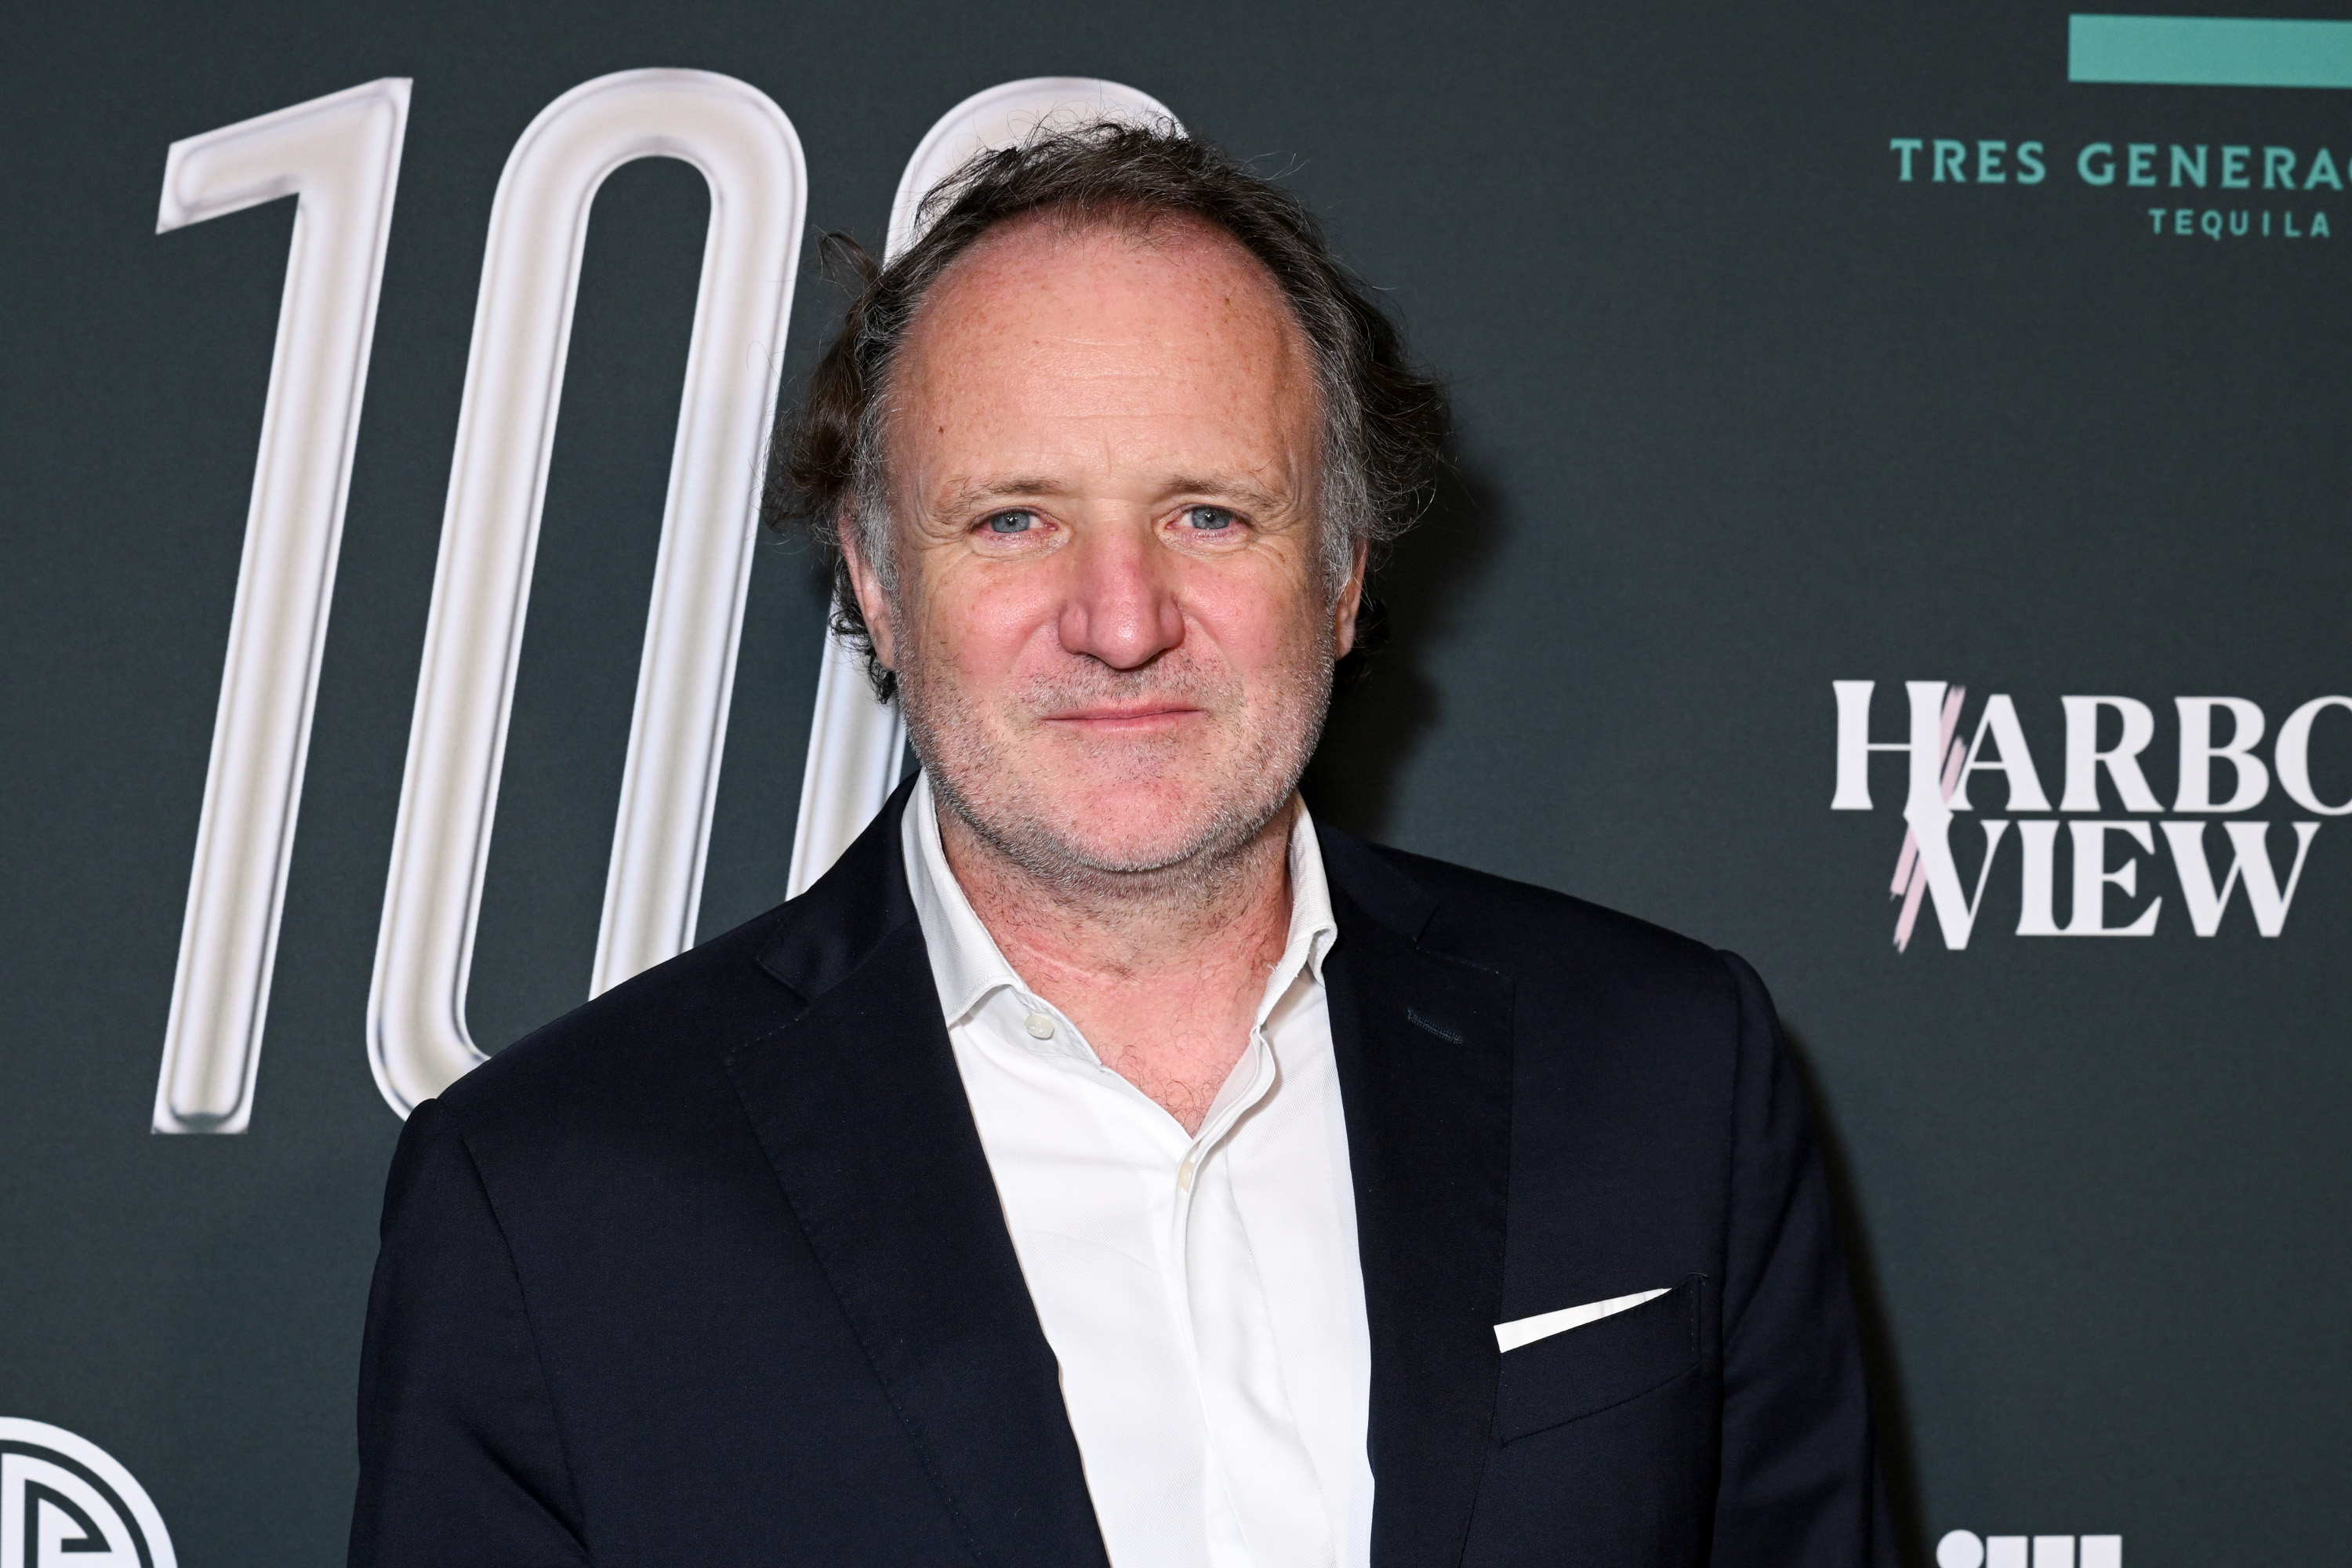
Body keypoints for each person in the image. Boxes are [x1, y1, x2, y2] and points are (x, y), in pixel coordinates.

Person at [349, 122, 1893, 1568]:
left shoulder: (1666, 1074)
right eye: (1014, 519)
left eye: (1208, 514)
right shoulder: (550, 1201)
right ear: (877, 582)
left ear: (1343, 573)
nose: (1122, 620)